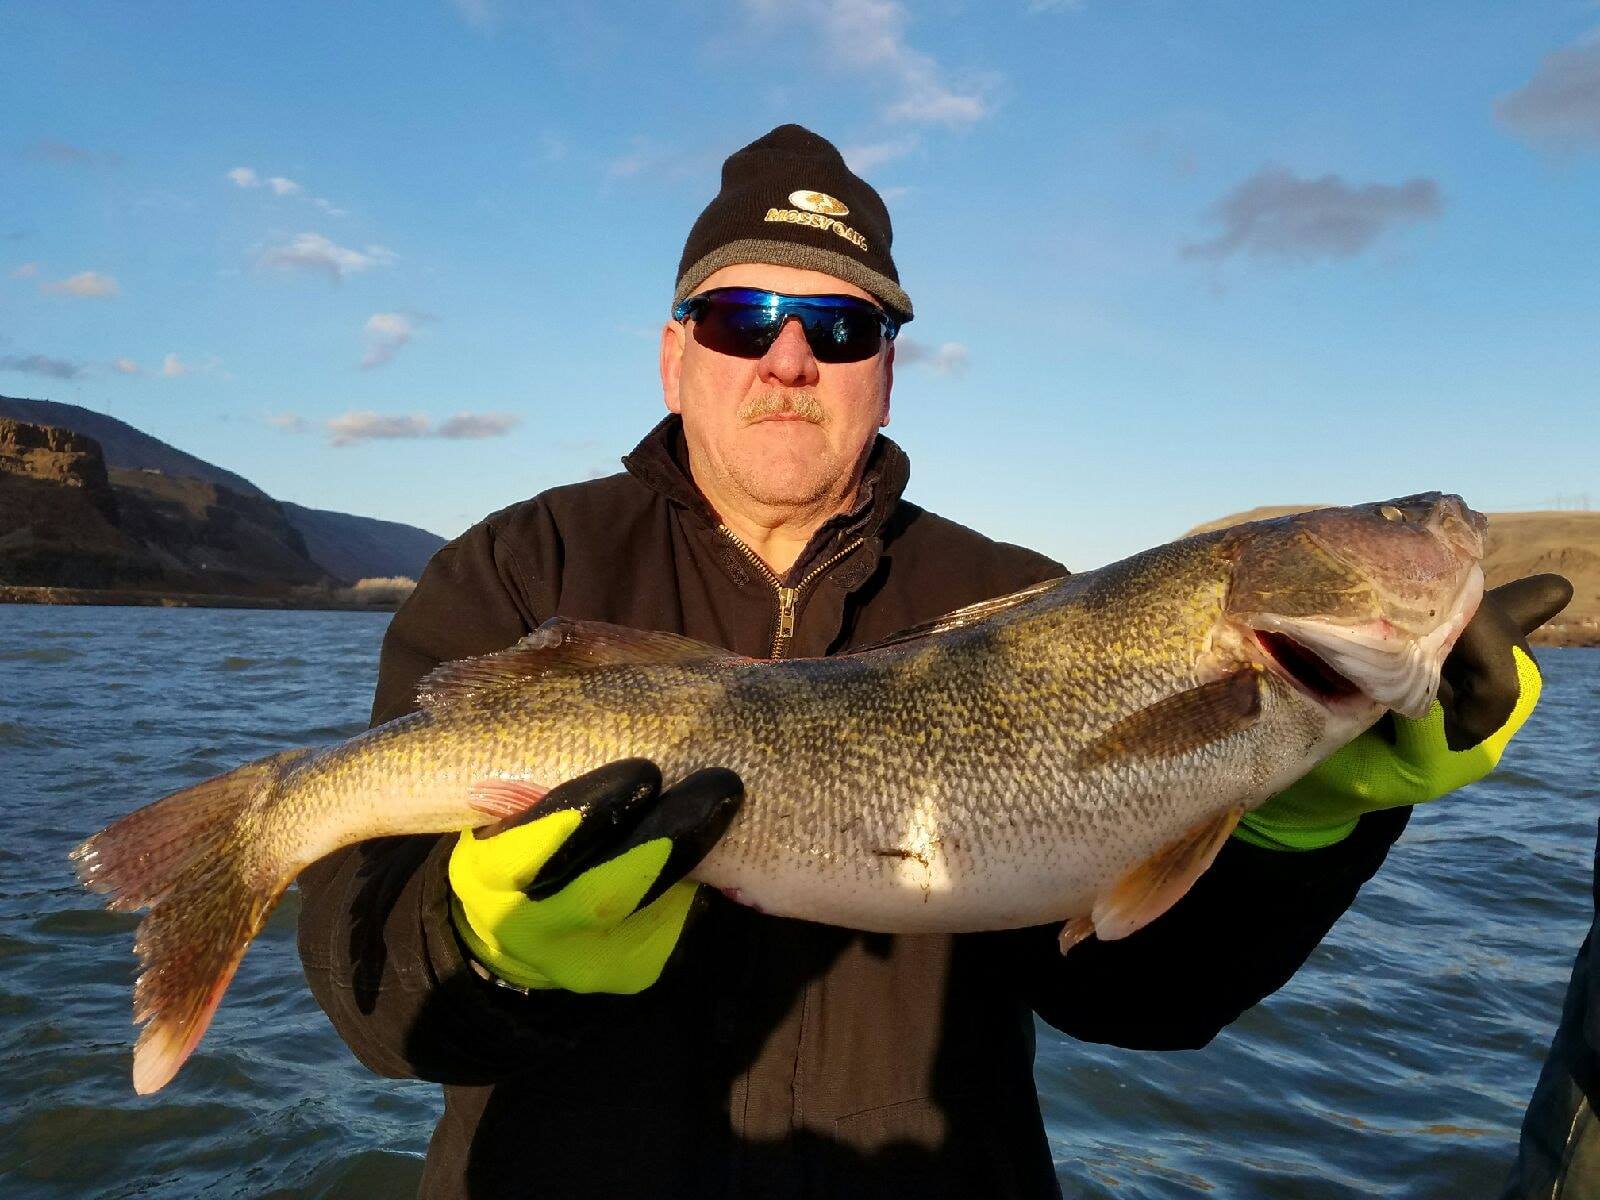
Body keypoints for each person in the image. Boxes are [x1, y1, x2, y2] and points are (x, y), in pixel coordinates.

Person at [297, 124, 1569, 1199]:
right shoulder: (518, 570)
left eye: (840, 330)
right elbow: (370, 1002)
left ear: (887, 377)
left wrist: (1307, 830)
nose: (787, 359)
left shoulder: (1008, 596)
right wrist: (487, 952)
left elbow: (1139, 1002)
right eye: (743, 318)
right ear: (675, 354)